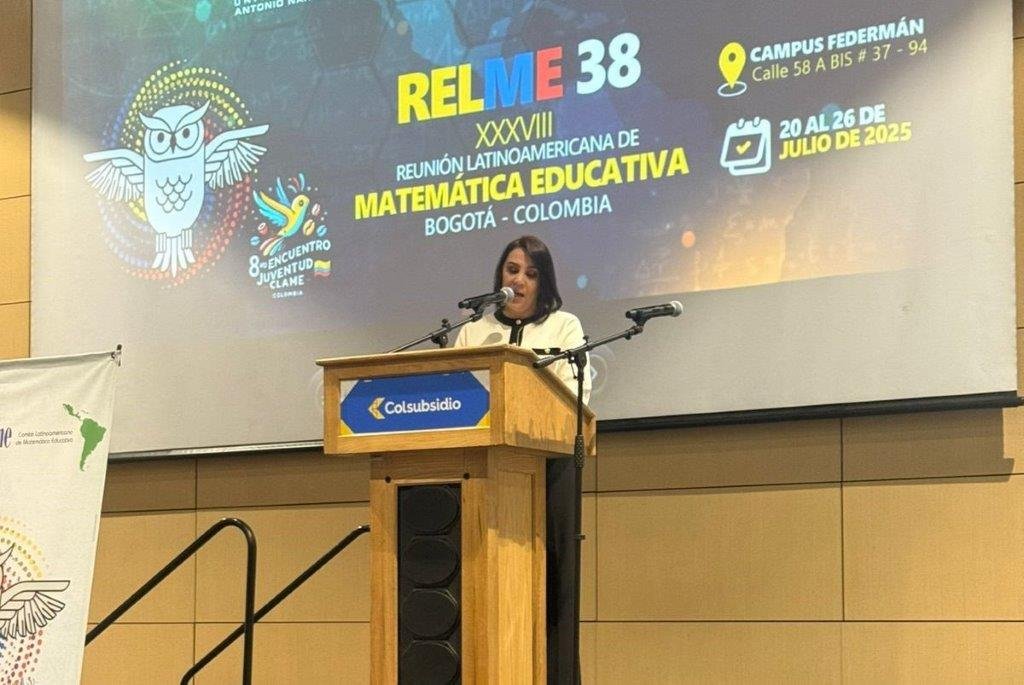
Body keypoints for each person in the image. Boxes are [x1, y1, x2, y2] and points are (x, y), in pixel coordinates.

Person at [453, 235, 589, 684]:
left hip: (549, 467)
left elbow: (573, 397)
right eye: (512, 270)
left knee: (552, 583)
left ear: (543, 281)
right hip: (483, 471)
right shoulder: (473, 332)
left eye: (531, 273)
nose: (519, 281)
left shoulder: (564, 327)